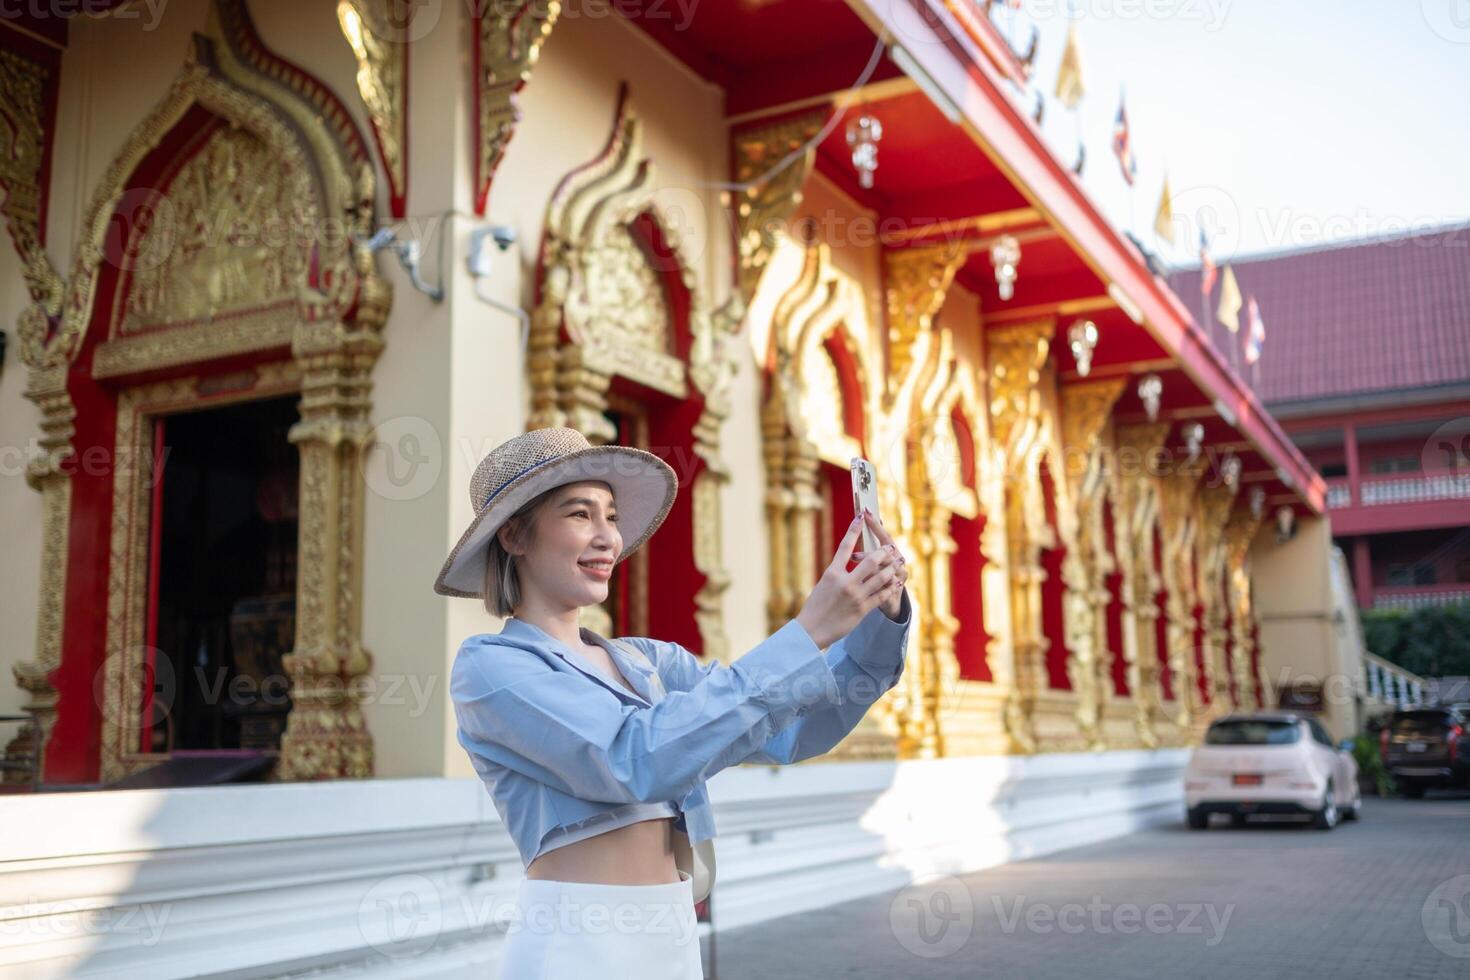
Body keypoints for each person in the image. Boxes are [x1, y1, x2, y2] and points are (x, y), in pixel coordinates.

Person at [438, 426, 912, 978]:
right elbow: (635, 760)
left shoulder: (648, 663)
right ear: (514, 537)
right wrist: (807, 632)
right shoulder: (491, 668)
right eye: (578, 514)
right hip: (575, 940)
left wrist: (878, 617)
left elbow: (791, 729)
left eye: (611, 517)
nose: (606, 537)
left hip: (673, 931)